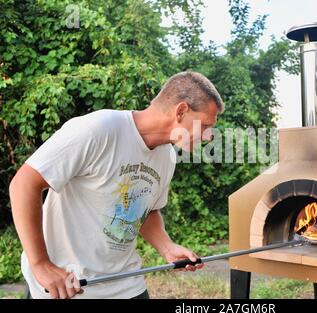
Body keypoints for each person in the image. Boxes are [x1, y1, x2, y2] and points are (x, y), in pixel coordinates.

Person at [9, 71, 224, 299]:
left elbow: (145, 209)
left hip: (126, 284)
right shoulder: (98, 129)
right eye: (206, 125)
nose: (209, 136)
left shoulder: (167, 157)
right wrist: (41, 264)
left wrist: (167, 247)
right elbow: (24, 184)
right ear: (181, 111)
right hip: (69, 286)